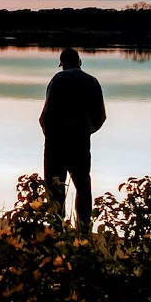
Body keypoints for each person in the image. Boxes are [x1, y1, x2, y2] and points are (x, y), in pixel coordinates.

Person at [40, 47, 106, 233]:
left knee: (54, 187)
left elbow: (47, 114)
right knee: (83, 186)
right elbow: (100, 116)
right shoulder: (92, 82)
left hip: (56, 144)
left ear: (62, 63)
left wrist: (49, 135)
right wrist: (86, 131)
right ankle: (84, 228)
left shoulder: (58, 79)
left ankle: (56, 228)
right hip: (80, 143)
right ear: (80, 62)